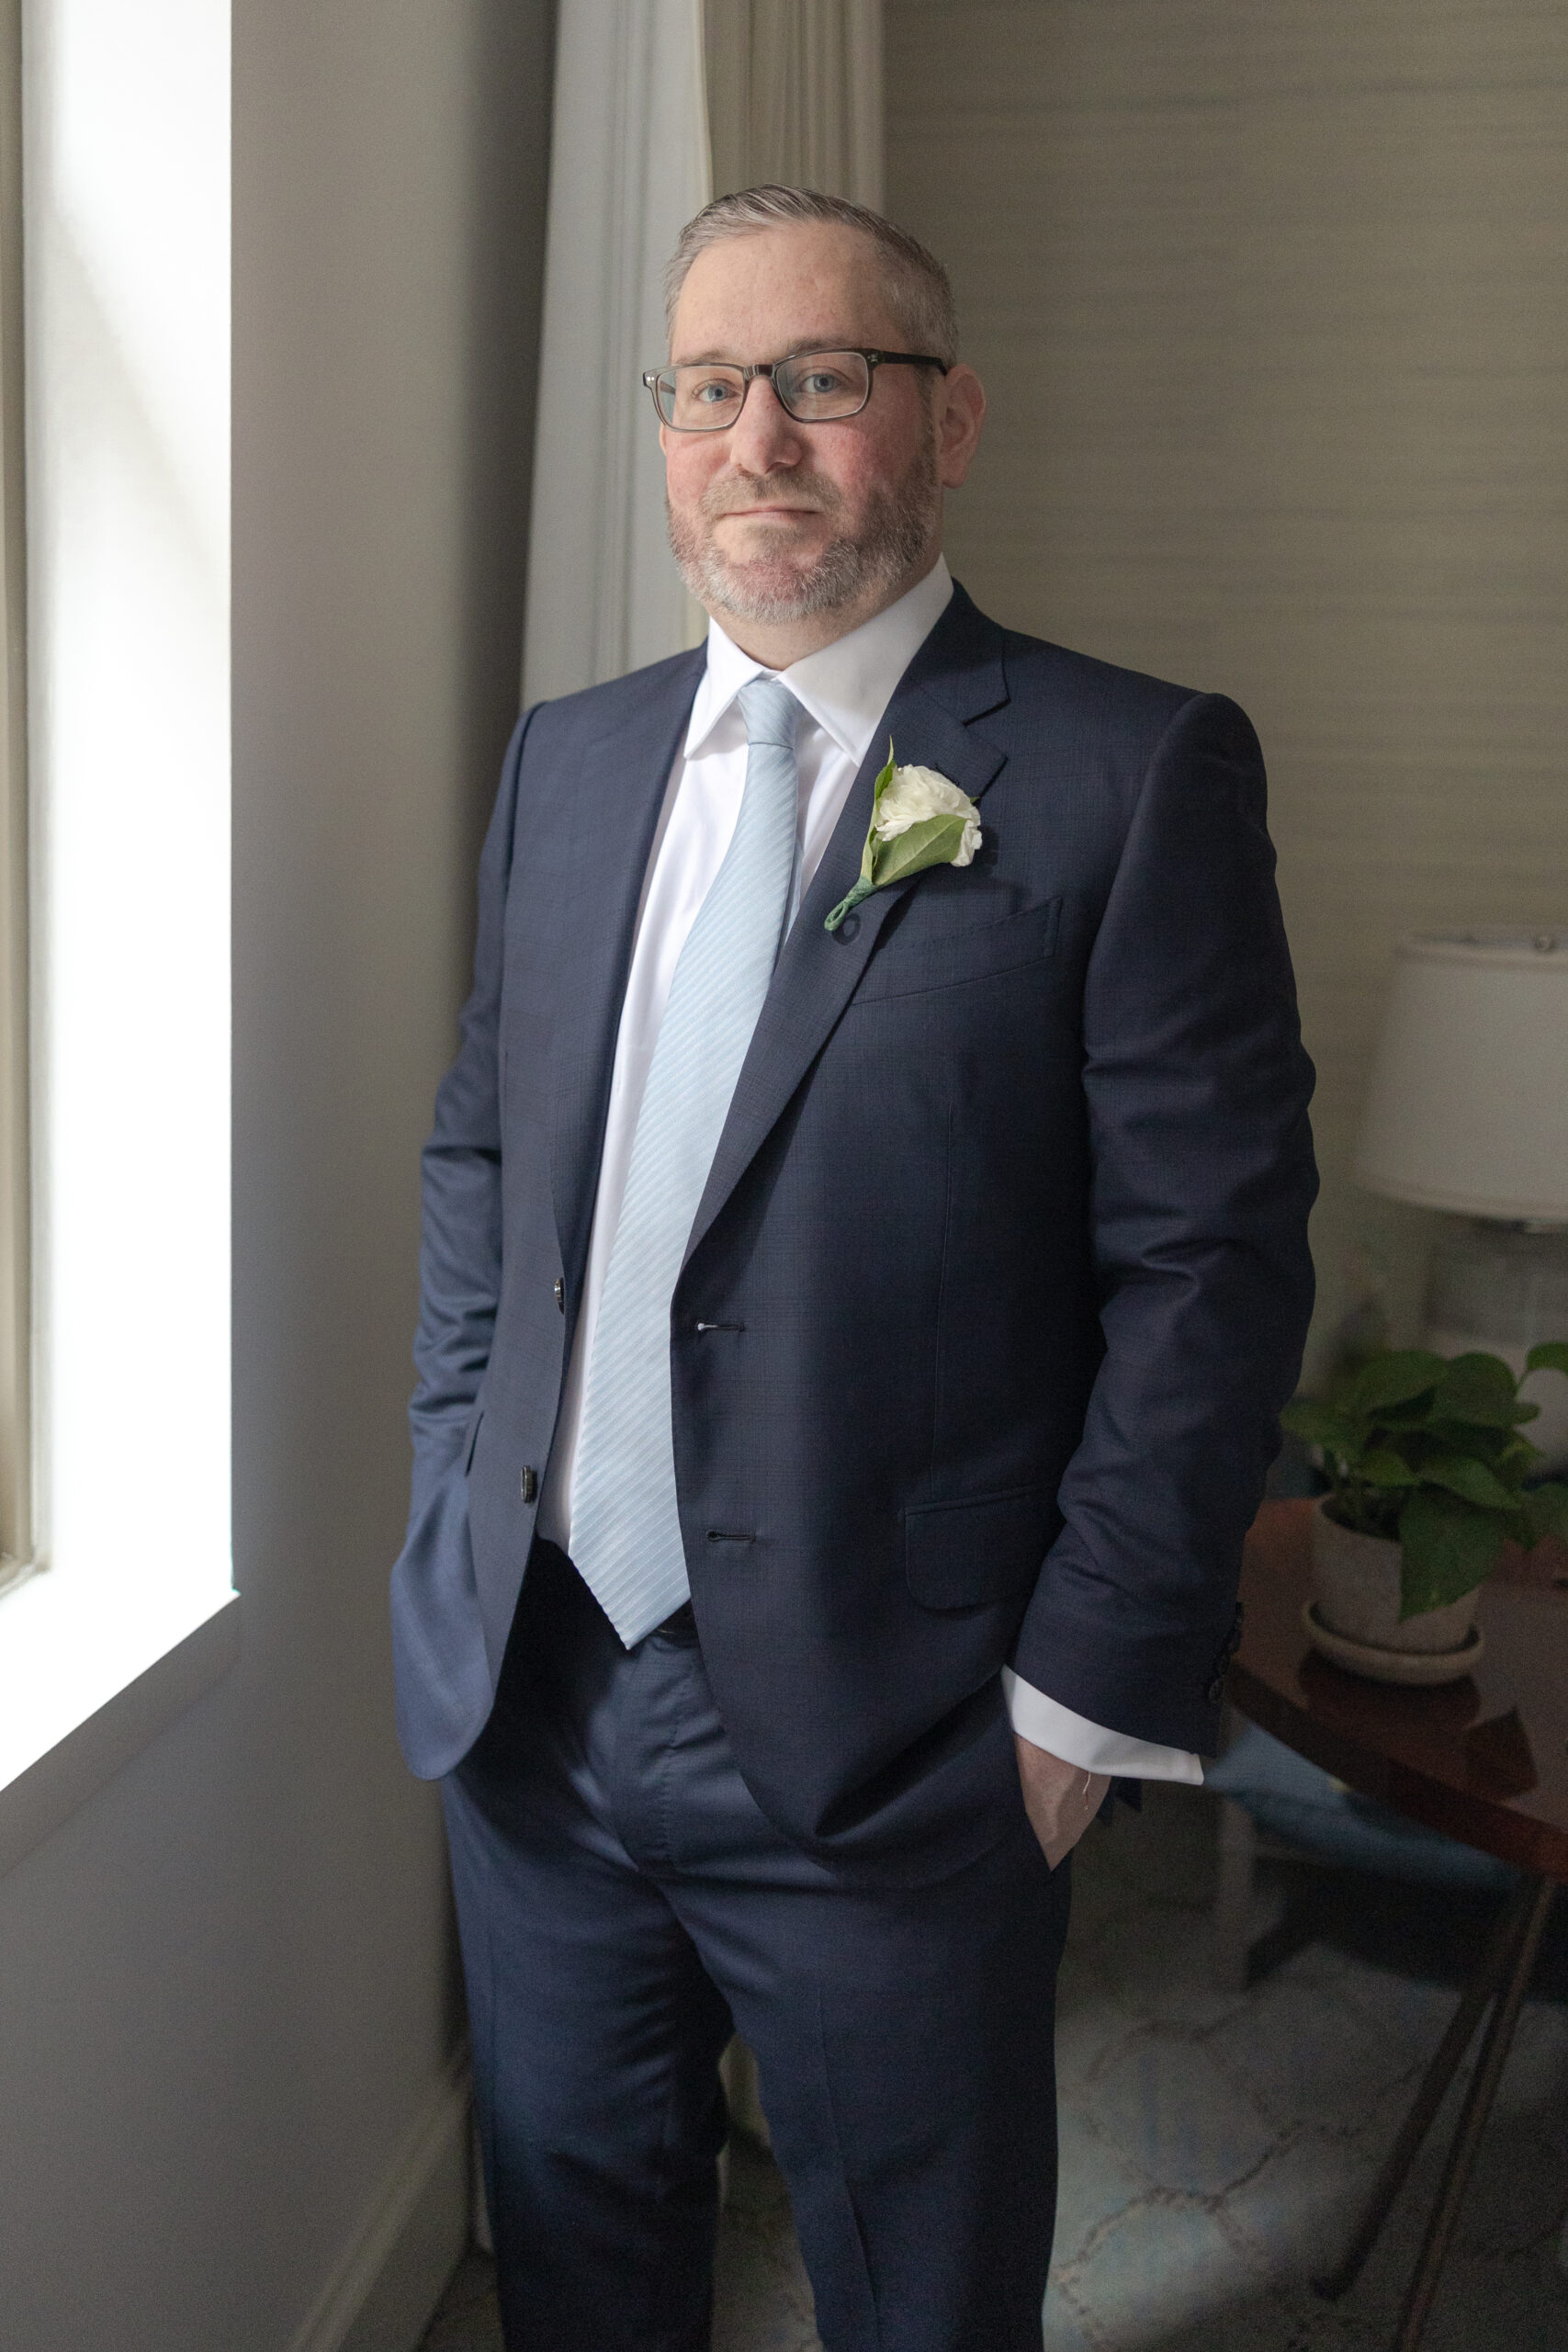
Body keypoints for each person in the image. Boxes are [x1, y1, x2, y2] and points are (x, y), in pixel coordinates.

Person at [391, 185, 1316, 2351]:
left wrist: (1071, 1705)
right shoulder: (565, 759)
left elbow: (1204, 1270)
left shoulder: (1125, 771)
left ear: (947, 418)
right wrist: (454, 1480)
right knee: (576, 2269)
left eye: (822, 379)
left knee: (917, 2301)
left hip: (908, 1734)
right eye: (710, 386)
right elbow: (483, 1155)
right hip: (538, 1695)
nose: (758, 440)